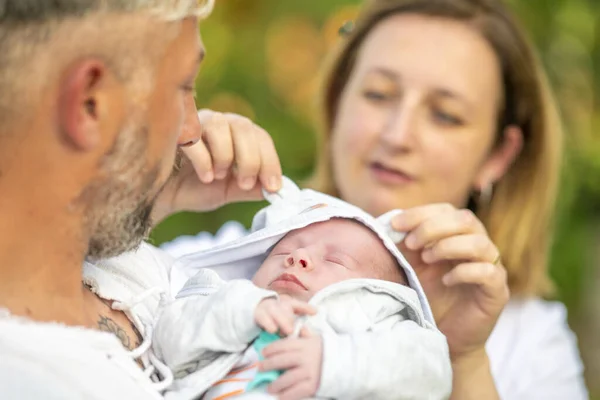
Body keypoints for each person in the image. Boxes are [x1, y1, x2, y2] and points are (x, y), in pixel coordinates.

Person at [162, 0, 589, 398]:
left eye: (445, 115)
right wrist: (161, 196)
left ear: (498, 156)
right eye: (378, 94)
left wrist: (463, 359)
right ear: (336, 103)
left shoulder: (529, 338)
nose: (397, 135)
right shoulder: (212, 267)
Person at [0, 0, 286, 398]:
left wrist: (137, 191)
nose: (191, 130)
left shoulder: (126, 275)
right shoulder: (31, 380)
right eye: (183, 86)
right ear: (90, 103)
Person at [153, 178, 451, 400]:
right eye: (284, 252)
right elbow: (168, 337)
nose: (299, 257)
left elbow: (432, 370)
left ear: (377, 291)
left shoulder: (380, 324)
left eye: (335, 259)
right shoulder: (226, 299)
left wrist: (335, 361)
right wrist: (240, 310)